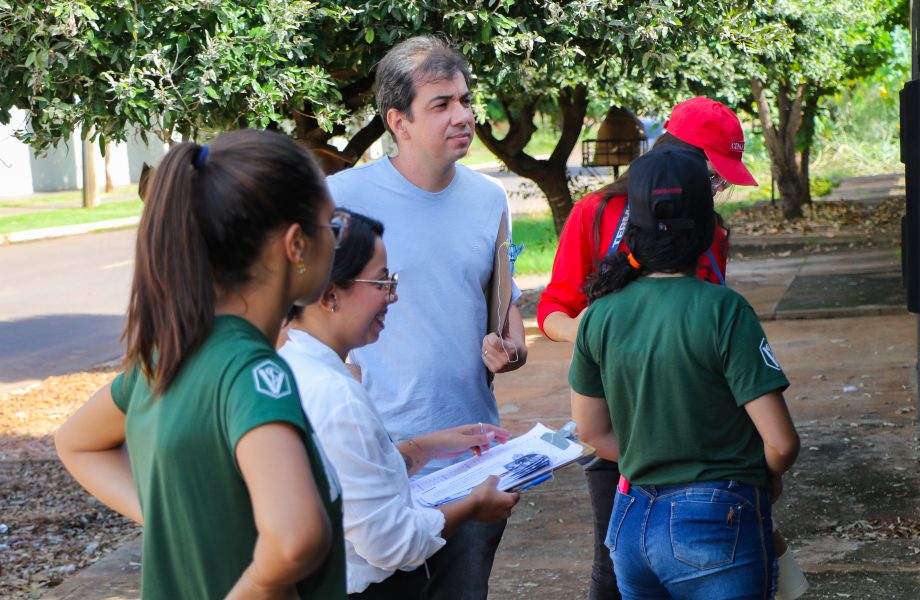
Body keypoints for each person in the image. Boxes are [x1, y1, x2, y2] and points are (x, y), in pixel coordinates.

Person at [54, 130, 346, 599]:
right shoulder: (252, 374)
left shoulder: (165, 357)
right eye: (332, 226)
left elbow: (76, 442)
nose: (336, 242)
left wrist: (172, 517)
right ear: (295, 245)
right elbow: (295, 540)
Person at [325, 36, 527, 599]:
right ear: (399, 121)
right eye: (441, 104)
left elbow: (502, 307)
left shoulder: (490, 199)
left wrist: (512, 349)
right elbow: (305, 317)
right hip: (376, 458)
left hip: (472, 451)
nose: (463, 115)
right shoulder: (340, 197)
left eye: (465, 100)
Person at [537, 96, 759, 600]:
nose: (719, 189)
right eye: (715, 176)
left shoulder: (712, 230)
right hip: (618, 422)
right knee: (613, 564)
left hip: (700, 426)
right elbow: (552, 311)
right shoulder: (595, 214)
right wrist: (596, 331)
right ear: (678, 158)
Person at [569, 146, 800, 599]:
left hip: (630, 524)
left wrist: (653, 457)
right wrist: (755, 477)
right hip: (716, 524)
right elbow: (781, 443)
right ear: (709, 228)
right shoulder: (724, 310)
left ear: (633, 229)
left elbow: (590, 432)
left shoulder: (599, 315)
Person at [279, 209, 520, 598]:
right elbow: (392, 545)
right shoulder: (336, 396)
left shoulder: (289, 365)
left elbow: (346, 475)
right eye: (381, 282)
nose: (393, 296)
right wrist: (474, 507)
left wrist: (430, 445)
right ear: (329, 295)